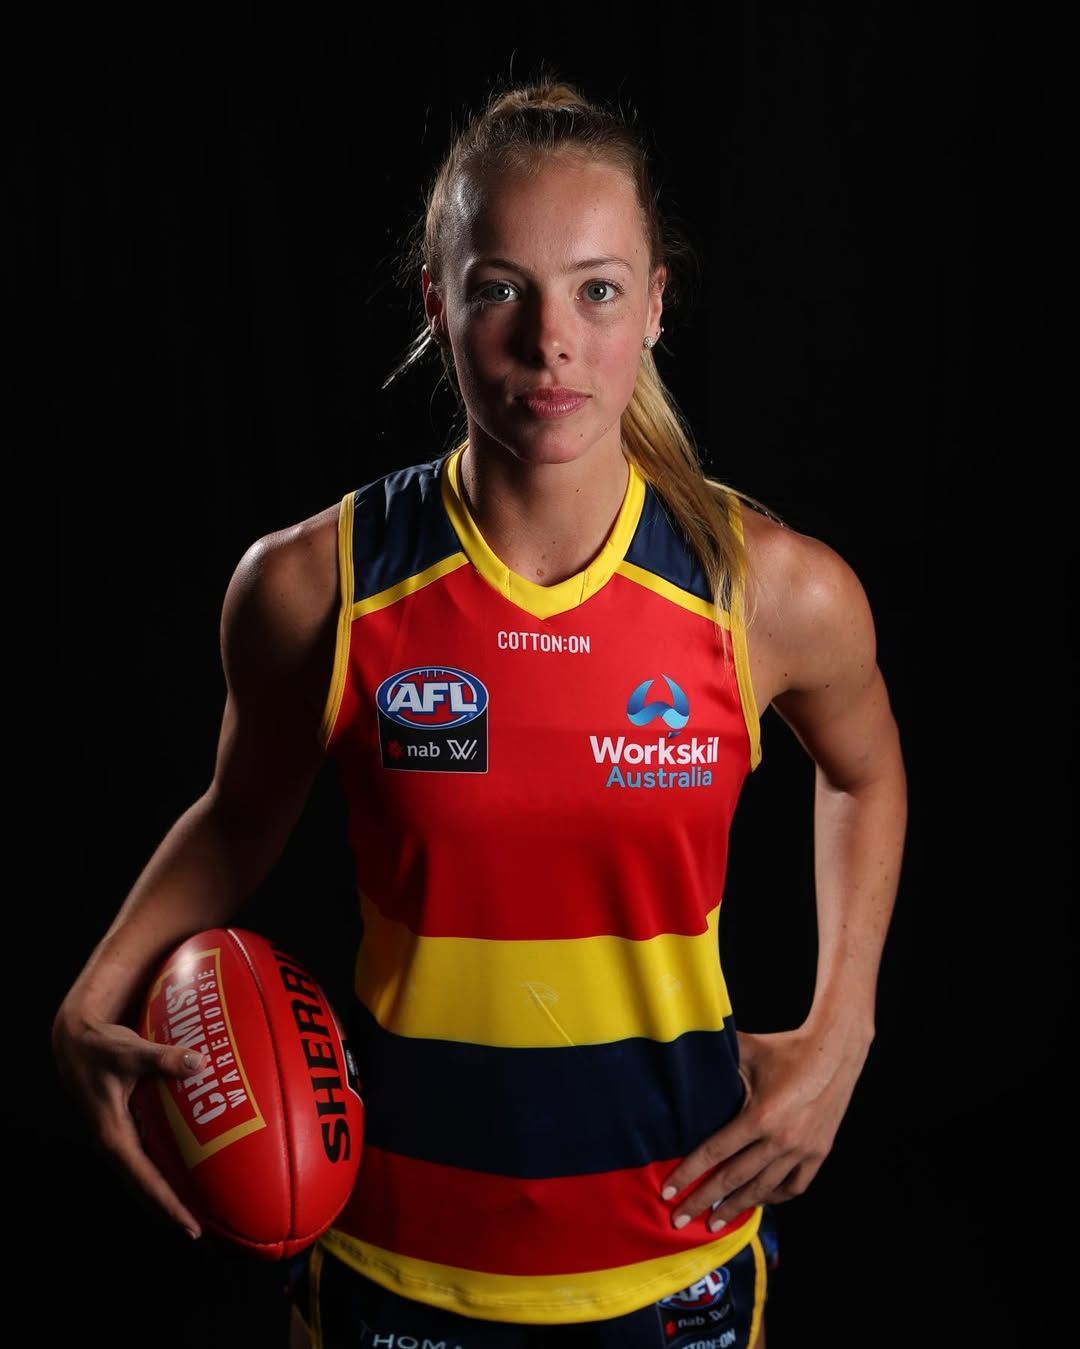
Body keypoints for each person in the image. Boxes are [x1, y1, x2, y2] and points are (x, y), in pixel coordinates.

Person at [51, 73, 907, 1349]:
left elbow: (866, 773)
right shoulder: (318, 585)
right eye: (502, 288)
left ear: (656, 303)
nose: (551, 340)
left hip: (674, 1251)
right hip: (395, 1251)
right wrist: (92, 994)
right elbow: (238, 815)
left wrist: (844, 1027)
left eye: (597, 290)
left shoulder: (767, 591)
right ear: (436, 304)